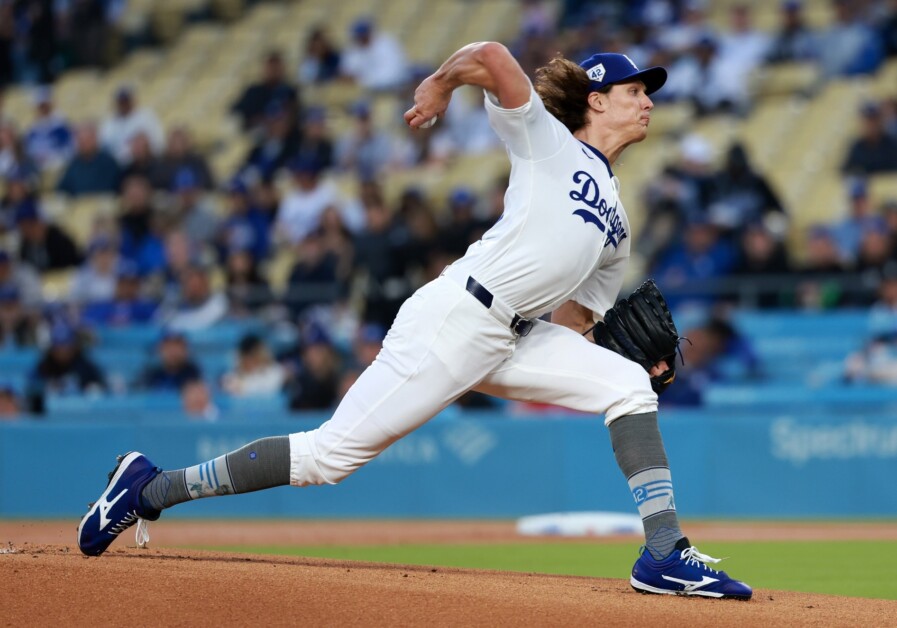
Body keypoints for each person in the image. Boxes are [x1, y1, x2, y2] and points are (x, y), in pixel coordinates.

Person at [76, 43, 752, 600]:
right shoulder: (547, 141)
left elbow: (577, 320)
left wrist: (627, 359)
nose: (648, 101)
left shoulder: (617, 221)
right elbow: (489, 55)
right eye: (636, 89)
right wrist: (437, 84)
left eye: (648, 91)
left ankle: (663, 553)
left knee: (625, 387)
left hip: (514, 335)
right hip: (456, 318)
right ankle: (151, 485)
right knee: (328, 458)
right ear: (597, 100)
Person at [99, 86, 165, 166]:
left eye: (126, 101)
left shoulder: (146, 116)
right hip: (117, 166)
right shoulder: (109, 122)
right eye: (121, 101)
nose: (124, 104)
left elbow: (158, 143)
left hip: (145, 163)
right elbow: (104, 145)